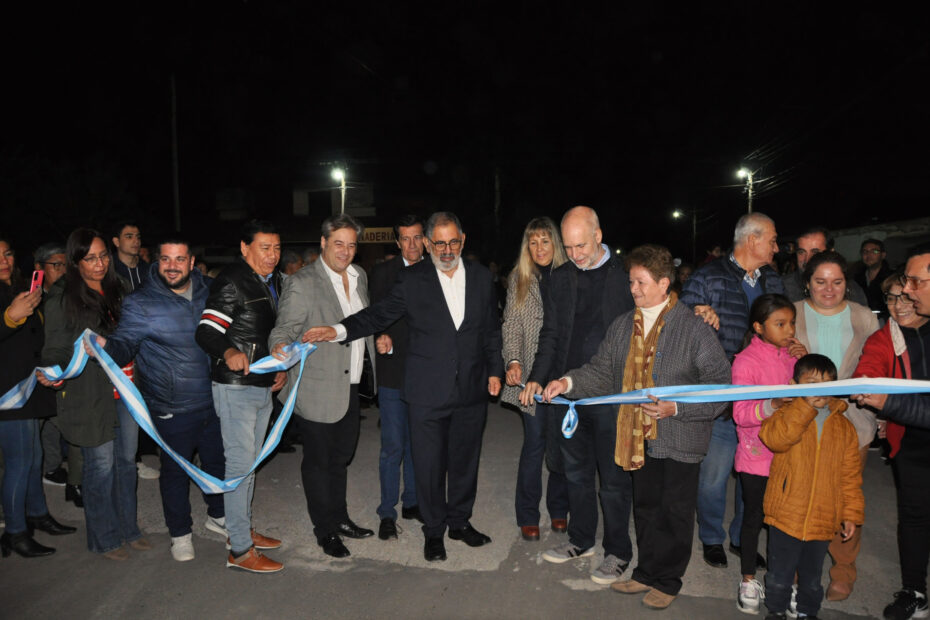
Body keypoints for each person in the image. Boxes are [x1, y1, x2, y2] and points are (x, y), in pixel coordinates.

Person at [303, 211, 502, 563]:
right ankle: (434, 530)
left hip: (470, 389)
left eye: (453, 242)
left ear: (463, 240)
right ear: (427, 243)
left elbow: (490, 330)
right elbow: (378, 314)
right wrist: (338, 330)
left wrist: (495, 370)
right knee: (427, 465)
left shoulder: (482, 277)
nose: (446, 250)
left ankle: (460, 522)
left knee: (464, 461)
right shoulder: (413, 280)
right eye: (439, 243)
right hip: (426, 391)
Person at [541, 244, 730, 610]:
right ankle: (645, 572)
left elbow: (720, 386)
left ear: (664, 283)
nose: (633, 289)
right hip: (638, 435)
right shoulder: (624, 325)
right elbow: (601, 371)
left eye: (641, 282)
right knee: (645, 508)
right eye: (631, 282)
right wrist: (567, 383)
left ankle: (668, 580)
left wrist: (677, 408)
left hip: (680, 437)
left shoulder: (693, 328)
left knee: (674, 511)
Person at [520, 206, 636, 585]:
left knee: (613, 481)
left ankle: (618, 551)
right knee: (576, 474)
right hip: (568, 394)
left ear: (598, 236)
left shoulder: (626, 276)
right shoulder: (559, 277)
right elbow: (551, 333)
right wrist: (538, 377)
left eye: (581, 246)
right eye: (568, 248)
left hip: (610, 396)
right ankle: (581, 539)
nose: (574, 255)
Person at [99, 235, 226, 562]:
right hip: (171, 406)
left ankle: (218, 515)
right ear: (157, 262)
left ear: (192, 262)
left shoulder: (211, 291)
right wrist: (106, 346)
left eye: (180, 259)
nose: (172, 266)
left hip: (215, 398)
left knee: (216, 463)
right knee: (175, 473)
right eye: (166, 259)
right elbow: (124, 345)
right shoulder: (140, 302)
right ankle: (180, 534)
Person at [680, 212, 783, 569]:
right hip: (723, 397)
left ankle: (742, 537)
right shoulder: (708, 276)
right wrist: (696, 311)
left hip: (762, 398)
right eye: (772, 240)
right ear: (752, 240)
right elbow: (678, 321)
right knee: (714, 475)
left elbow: (782, 325)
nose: (776, 247)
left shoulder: (773, 280)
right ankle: (712, 538)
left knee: (753, 476)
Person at [269, 214, 376, 558]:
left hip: (350, 383)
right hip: (316, 387)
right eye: (338, 243)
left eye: (351, 245)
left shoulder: (359, 276)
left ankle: (340, 518)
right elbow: (284, 328)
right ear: (323, 243)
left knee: (341, 457)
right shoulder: (302, 281)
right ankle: (325, 530)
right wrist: (279, 346)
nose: (345, 251)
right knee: (319, 461)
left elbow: (363, 321)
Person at [40, 228, 149, 560]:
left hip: (125, 389)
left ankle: (129, 528)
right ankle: (105, 538)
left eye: (103, 256)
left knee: (126, 462)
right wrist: (53, 371)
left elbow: (135, 332)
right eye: (90, 259)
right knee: (100, 466)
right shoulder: (62, 296)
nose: (100, 264)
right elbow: (55, 346)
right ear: (75, 262)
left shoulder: (120, 287)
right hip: (89, 393)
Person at [195, 220, 286, 573]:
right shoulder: (232, 280)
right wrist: (228, 352)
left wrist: (278, 367)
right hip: (235, 387)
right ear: (245, 248)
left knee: (249, 466)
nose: (272, 255)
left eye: (277, 248)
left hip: (261, 383)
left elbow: (264, 334)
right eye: (265, 247)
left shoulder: (269, 281)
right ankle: (240, 550)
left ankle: (241, 530)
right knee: (239, 467)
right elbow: (206, 331)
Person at [792, 250, 878, 601]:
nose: (829, 289)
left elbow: (879, 366)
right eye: (820, 282)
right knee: (801, 494)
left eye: (837, 282)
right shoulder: (791, 314)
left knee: (846, 496)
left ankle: (843, 570)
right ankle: (796, 567)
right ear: (807, 283)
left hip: (852, 422)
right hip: (802, 420)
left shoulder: (863, 317)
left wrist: (882, 413)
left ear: (847, 284)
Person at [853, 245, 930, 620]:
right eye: (891, 298)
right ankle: (915, 592)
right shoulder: (885, 338)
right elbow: (868, 369)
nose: (900, 305)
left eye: (907, 294)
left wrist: (889, 402)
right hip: (912, 441)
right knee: (914, 516)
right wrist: (867, 384)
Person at [759, 354, 864, 620]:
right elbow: (776, 439)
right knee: (780, 573)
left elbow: (850, 475)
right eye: (812, 383)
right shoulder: (785, 415)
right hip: (786, 514)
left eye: (827, 383)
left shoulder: (844, 427)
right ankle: (776, 610)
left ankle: (807, 611)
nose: (820, 390)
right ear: (795, 385)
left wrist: (851, 513)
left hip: (823, 517)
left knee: (812, 577)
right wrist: (803, 407)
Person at [730, 294, 807, 614]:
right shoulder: (745, 361)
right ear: (759, 327)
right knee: (754, 518)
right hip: (756, 457)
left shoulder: (795, 356)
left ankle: (785, 581)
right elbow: (740, 414)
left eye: (792, 323)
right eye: (780, 324)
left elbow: (814, 395)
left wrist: (807, 362)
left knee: (787, 523)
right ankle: (748, 580)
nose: (789, 330)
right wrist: (773, 404)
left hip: (791, 455)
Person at [1, 237, 76, 558]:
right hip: (8, 393)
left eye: (7, 253)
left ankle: (37, 514)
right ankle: (14, 532)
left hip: (28, 384)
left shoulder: (18, 287)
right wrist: (10, 317)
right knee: (19, 463)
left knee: (33, 458)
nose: (4, 260)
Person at [501, 217, 569, 542]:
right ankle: (528, 514)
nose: (539, 248)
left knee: (562, 443)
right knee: (534, 443)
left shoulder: (569, 276)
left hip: (565, 375)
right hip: (531, 375)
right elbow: (511, 323)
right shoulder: (520, 278)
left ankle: (559, 508)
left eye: (545, 241)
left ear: (555, 242)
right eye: (533, 242)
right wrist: (513, 360)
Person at [367, 214, 426, 541]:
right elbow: (377, 313)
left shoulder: (436, 270)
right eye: (406, 238)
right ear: (397, 241)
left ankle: (412, 501)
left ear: (425, 239)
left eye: (417, 237)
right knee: (392, 446)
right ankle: (387, 512)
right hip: (392, 370)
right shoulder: (384, 273)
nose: (412, 244)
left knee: (418, 443)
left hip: (425, 372)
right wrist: (382, 334)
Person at [32, 242, 75, 489]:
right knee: (39, 425)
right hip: (34, 373)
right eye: (56, 265)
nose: (63, 271)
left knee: (56, 421)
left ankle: (52, 467)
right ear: (39, 268)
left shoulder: (70, 295)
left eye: (66, 265)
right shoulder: (30, 298)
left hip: (60, 370)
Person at [782, 227, 868, 306]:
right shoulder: (782, 288)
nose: (807, 259)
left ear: (831, 253)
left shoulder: (850, 289)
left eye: (815, 252)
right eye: (801, 252)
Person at [854, 238, 893, 317]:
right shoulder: (856, 279)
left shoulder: (891, 278)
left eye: (874, 251)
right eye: (865, 251)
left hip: (885, 319)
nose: (869, 255)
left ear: (883, 255)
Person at [111, 220, 147, 292]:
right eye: (129, 237)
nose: (136, 241)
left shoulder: (148, 270)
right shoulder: (109, 270)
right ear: (116, 242)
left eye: (138, 237)